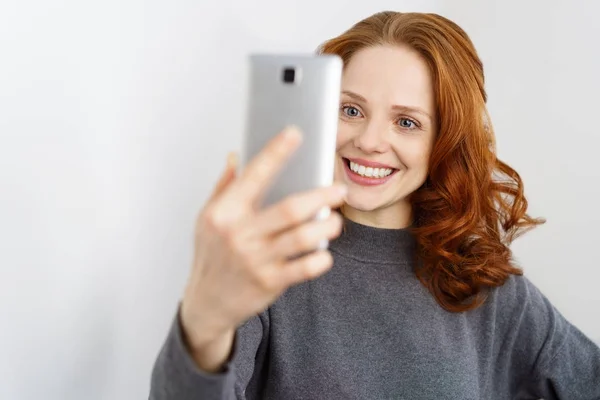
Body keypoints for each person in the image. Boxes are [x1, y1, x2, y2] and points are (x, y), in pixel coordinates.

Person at [149, 11, 600, 399]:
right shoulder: (271, 260)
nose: (368, 141)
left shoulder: (482, 282)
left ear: (444, 142)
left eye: (406, 122)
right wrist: (203, 322)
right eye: (351, 110)